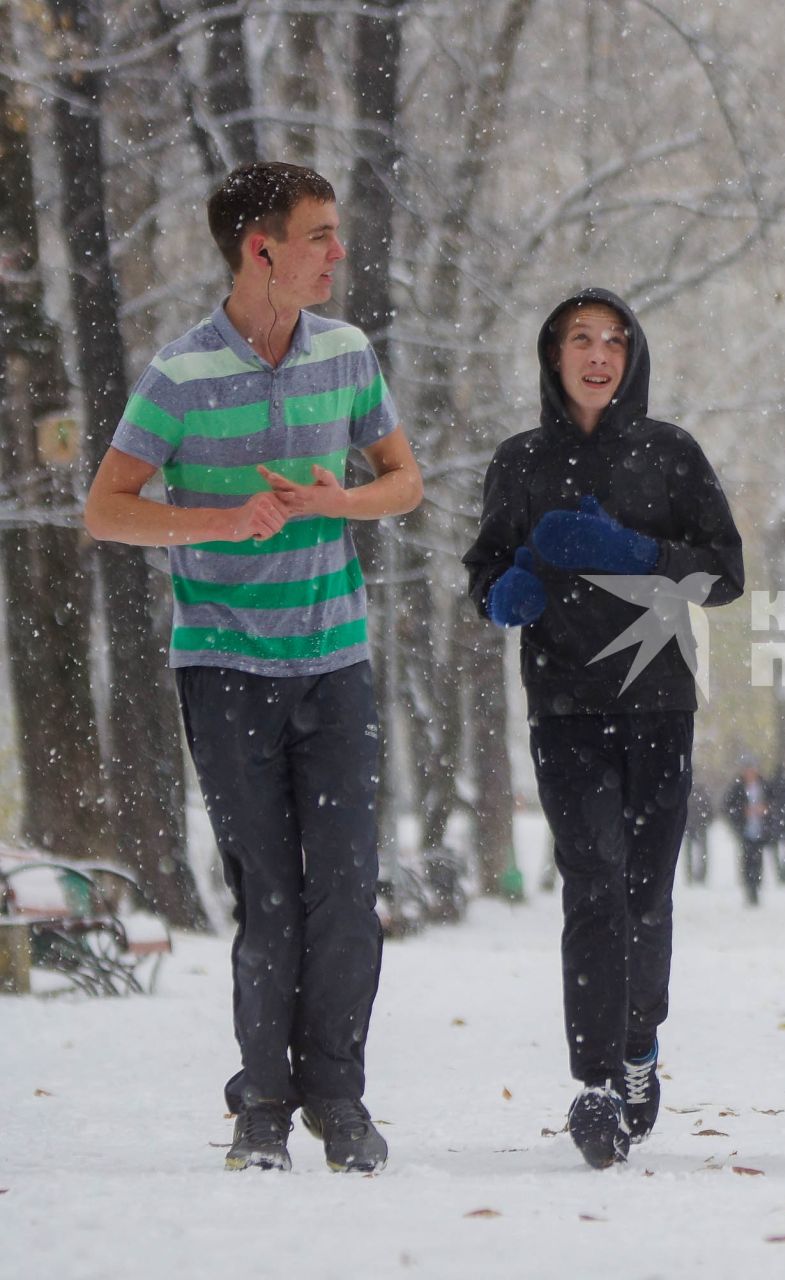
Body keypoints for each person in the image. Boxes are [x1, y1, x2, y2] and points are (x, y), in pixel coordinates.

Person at [83, 161, 422, 1174]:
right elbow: (107, 506)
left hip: (335, 660)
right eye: (319, 235)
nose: (336, 253)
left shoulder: (349, 355)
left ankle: (340, 1095)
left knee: (348, 887)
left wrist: (335, 502)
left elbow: (400, 483)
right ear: (258, 247)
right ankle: (263, 1104)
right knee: (268, 889)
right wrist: (218, 520)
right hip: (225, 663)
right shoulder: (180, 378)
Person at [462, 287, 744, 1169]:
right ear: (553, 355)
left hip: (657, 704)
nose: (599, 355)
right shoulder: (518, 463)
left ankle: (637, 1049)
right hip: (565, 708)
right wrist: (502, 593)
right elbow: (486, 563)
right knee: (592, 880)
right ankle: (593, 1080)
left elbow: (727, 572)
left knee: (644, 893)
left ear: (632, 355)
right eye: (581, 339)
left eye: (614, 340)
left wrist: (642, 554)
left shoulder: (673, 454)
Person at [723, 759, 773, 907]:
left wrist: (765, 810)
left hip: (760, 830)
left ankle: (756, 887)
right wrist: (742, 812)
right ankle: (749, 888)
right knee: (747, 860)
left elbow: (774, 804)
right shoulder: (737, 788)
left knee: (758, 860)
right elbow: (728, 807)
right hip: (745, 831)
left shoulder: (764, 786)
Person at [682, 780, 714, 885]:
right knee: (698, 852)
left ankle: (694, 874)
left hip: (695, 826)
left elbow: (709, 811)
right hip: (695, 826)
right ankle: (696, 874)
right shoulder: (701, 793)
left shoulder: (688, 794)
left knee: (695, 852)